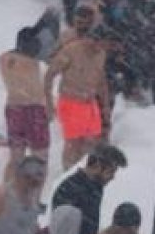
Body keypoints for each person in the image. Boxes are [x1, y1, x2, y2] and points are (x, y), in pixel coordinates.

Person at [45, 23, 115, 169]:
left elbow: (101, 80)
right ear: (93, 39)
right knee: (73, 144)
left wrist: (106, 105)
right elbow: (50, 74)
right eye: (102, 43)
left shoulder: (101, 54)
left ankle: (81, 173)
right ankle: (68, 173)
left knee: (92, 142)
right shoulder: (72, 50)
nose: (102, 47)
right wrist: (49, 102)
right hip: (71, 101)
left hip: (90, 103)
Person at [51, 144, 128, 234]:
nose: (112, 177)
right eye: (111, 171)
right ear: (97, 165)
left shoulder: (95, 187)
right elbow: (66, 232)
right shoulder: (70, 189)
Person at [0, 27, 50, 180]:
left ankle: (7, 190)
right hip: (34, 109)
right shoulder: (31, 61)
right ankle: (33, 195)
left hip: (13, 108)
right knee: (41, 157)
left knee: (16, 157)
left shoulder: (4, 58)